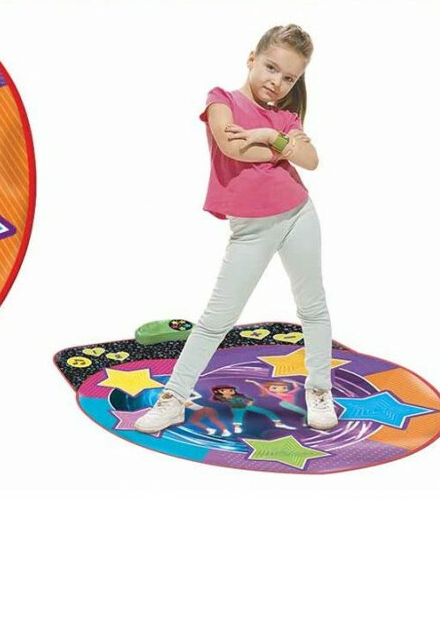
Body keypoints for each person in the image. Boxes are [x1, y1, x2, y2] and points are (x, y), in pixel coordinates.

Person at [135, 25, 338, 435]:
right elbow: (232, 147)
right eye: (271, 68)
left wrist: (269, 135)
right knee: (217, 318)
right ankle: (173, 398)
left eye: (289, 78)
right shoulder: (221, 100)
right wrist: (283, 148)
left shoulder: (284, 117)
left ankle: (319, 389)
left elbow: (312, 161)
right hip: (252, 229)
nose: (277, 82)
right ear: (251, 59)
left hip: (299, 214)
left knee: (312, 307)